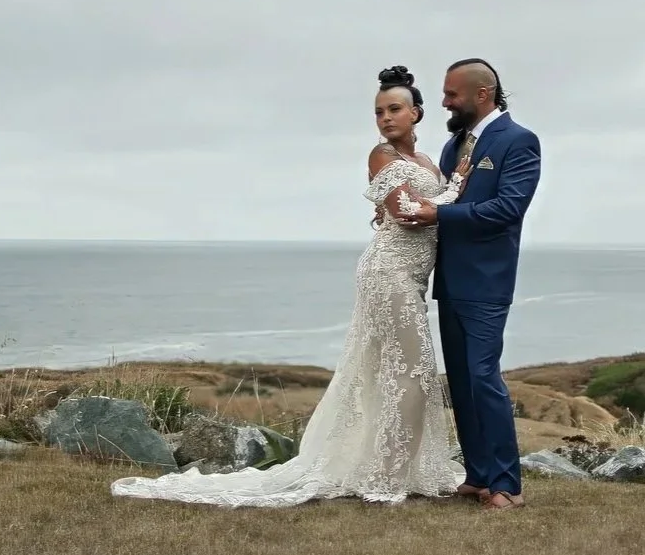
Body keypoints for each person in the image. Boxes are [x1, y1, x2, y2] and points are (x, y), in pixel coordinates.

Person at [110, 66, 464, 507]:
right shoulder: (381, 156)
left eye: (395, 109)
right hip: (387, 273)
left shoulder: (428, 162)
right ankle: (385, 478)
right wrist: (457, 189)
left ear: (417, 113)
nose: (386, 118)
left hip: (412, 276)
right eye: (378, 112)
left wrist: (446, 191)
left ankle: (401, 469)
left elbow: (416, 210)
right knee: (411, 372)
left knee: (395, 372)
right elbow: (409, 212)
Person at [393, 58, 541, 511]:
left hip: (487, 281)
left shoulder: (519, 141)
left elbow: (507, 209)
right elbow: (441, 203)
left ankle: (507, 484)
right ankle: (478, 474)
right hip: (449, 279)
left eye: (451, 94)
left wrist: (438, 214)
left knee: (482, 376)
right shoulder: (453, 145)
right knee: (459, 381)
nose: (443, 102)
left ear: (483, 94)